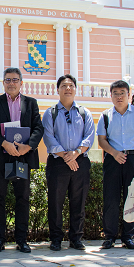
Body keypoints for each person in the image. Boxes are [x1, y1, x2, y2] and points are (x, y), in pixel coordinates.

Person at [0, 67, 44, 253]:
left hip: (23, 158)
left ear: (21, 83)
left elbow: (38, 128)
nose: (12, 83)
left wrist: (29, 146)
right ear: (3, 82)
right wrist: (4, 143)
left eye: (15, 80)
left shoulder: (31, 103)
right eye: (8, 80)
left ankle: (22, 240)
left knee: (23, 199)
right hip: (0, 157)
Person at [97, 80, 134, 250]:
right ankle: (109, 237)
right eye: (116, 93)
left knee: (133, 198)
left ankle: (128, 237)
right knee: (111, 199)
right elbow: (101, 140)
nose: (119, 96)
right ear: (111, 96)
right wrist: (114, 153)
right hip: (113, 160)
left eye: (122, 93)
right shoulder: (105, 116)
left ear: (129, 94)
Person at [42, 74, 95, 251]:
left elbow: (89, 136)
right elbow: (48, 137)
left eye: (71, 85)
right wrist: (66, 156)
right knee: (55, 202)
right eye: (64, 85)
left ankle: (76, 238)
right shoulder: (50, 113)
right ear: (58, 90)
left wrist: (76, 153)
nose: (68, 88)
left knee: (78, 202)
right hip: (58, 163)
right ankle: (56, 238)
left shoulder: (84, 112)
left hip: (80, 162)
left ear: (75, 89)